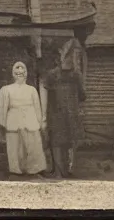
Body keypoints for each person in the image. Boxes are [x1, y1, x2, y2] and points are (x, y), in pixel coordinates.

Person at [43, 36, 87, 178]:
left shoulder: (76, 75)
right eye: (72, 55)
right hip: (56, 114)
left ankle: (67, 171)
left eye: (75, 56)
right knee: (57, 142)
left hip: (70, 114)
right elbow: (46, 94)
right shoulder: (52, 75)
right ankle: (59, 171)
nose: (74, 59)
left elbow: (82, 95)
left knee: (69, 142)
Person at [0, 61, 48, 179]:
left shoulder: (32, 90)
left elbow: (37, 107)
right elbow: (2, 107)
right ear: (13, 74)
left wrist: (40, 122)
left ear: (26, 73)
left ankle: (34, 170)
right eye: (17, 71)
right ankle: (16, 171)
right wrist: (1, 123)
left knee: (33, 145)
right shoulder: (6, 90)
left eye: (22, 71)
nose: (20, 73)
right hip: (13, 120)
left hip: (30, 119)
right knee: (14, 146)